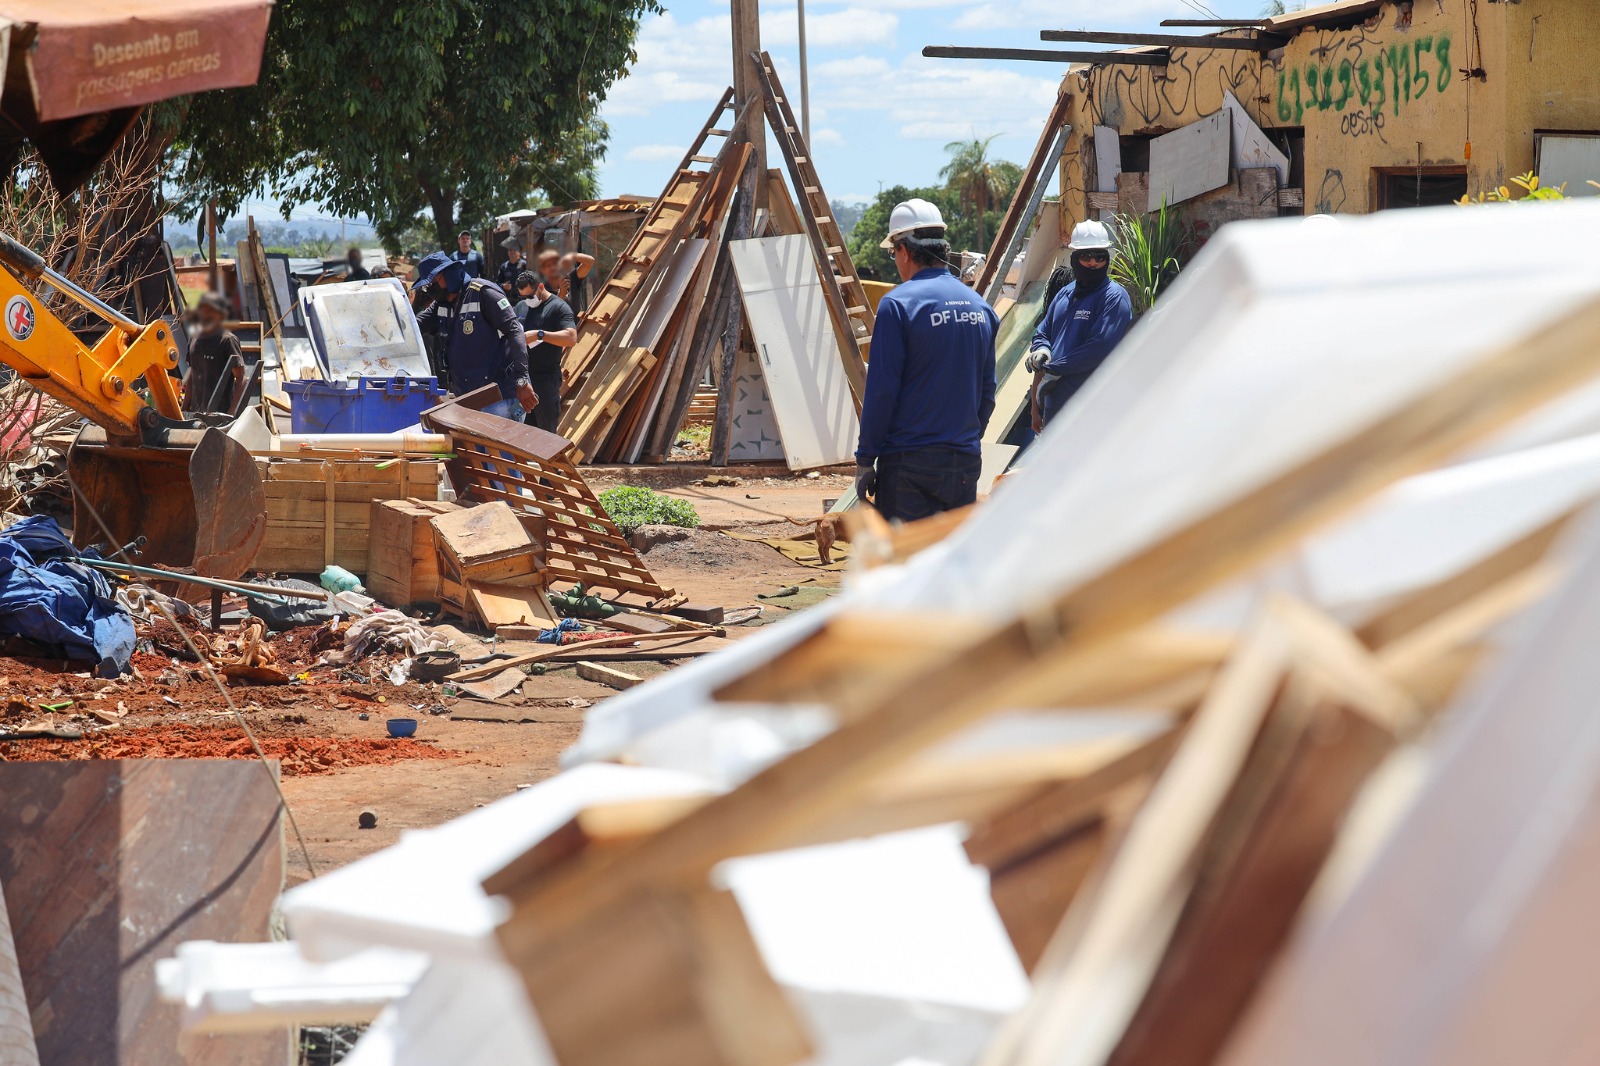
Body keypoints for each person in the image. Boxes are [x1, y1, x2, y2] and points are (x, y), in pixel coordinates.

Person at [854, 198, 997, 523]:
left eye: (893, 254)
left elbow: (881, 392)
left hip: (909, 465)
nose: (895, 262)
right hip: (963, 463)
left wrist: (866, 458)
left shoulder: (898, 306)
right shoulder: (980, 307)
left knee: (906, 564)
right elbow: (987, 391)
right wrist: (965, 440)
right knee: (950, 561)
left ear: (904, 249)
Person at [1025, 220, 1133, 430]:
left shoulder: (1114, 298)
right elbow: (1043, 332)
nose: (1093, 263)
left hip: (1092, 409)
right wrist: (1042, 350)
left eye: (1100, 257)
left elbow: (1099, 348)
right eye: (1086, 257)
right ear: (1074, 258)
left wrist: (1054, 369)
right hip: (1056, 406)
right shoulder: (1065, 294)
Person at [412, 251, 533, 419]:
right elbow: (414, 326)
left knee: (499, 444)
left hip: (501, 397)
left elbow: (515, 332)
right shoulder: (441, 304)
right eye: (427, 286)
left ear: (448, 274)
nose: (430, 289)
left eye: (433, 282)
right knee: (477, 445)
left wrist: (522, 380)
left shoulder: (484, 293)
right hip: (469, 398)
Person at [513, 270, 578, 433]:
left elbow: (571, 337)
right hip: (523, 382)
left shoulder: (557, 307)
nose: (527, 301)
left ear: (540, 287)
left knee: (546, 435)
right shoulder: (520, 307)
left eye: (530, 296)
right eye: (523, 297)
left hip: (546, 382)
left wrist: (539, 335)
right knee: (522, 435)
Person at [183, 291, 245, 415]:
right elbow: (192, 374)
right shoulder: (194, 339)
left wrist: (232, 412)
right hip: (196, 413)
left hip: (220, 414)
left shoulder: (227, 341)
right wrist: (184, 408)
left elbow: (241, 379)